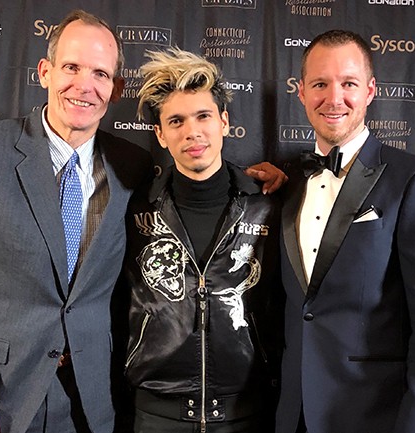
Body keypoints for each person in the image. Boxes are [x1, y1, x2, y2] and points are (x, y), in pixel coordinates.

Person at [0, 10, 283, 433]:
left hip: (97, 401)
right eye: (71, 67)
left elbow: (200, 179)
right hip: (2, 394)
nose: (84, 86)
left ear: (115, 89)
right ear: (44, 71)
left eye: (99, 73)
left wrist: (266, 178)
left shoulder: (132, 166)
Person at [275, 29, 415, 433]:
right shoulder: (289, 183)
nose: (334, 98)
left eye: (349, 84)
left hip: (376, 416)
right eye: (320, 84)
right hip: (294, 414)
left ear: (371, 90)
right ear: (302, 92)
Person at [121, 47, 282, 433]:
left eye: (203, 116)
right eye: (176, 120)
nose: (192, 131)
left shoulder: (269, 207)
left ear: (224, 122)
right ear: (159, 133)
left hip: (245, 413)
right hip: (156, 415)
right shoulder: (132, 210)